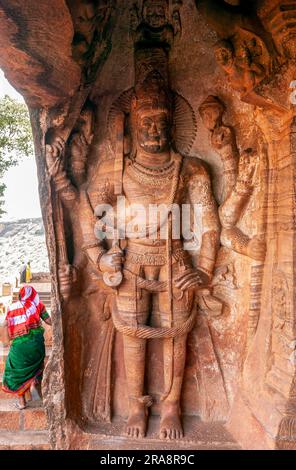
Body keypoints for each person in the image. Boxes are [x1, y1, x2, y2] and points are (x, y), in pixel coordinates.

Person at [1, 285, 52, 409]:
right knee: (37, 365)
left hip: (20, 346)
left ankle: (22, 401)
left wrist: (7, 340)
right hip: (37, 344)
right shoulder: (38, 305)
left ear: (20, 295)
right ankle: (34, 383)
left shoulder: (12, 307)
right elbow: (49, 321)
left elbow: (4, 324)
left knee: (14, 371)